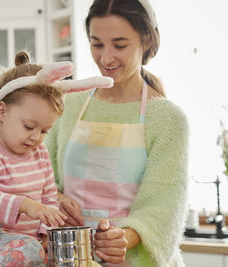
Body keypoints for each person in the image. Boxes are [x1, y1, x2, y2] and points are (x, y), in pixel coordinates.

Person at [45, 0, 189, 266]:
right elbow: (38, 174)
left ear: (146, 41)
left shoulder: (168, 119)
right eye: (96, 43)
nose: (106, 58)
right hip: (70, 258)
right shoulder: (69, 104)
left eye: (120, 45)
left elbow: (164, 207)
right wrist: (56, 198)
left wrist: (124, 236)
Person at [0, 51, 113, 266]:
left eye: (45, 130)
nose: (36, 137)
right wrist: (26, 205)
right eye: (29, 126)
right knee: (30, 249)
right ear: (2, 111)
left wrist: (47, 235)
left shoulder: (40, 155)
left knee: (79, 258)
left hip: (31, 245)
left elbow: (49, 200)